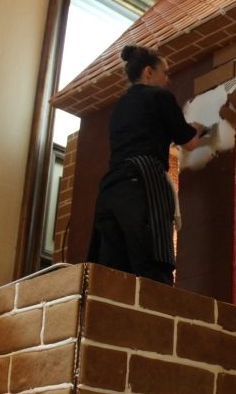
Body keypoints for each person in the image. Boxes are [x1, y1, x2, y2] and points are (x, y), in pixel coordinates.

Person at [87, 45, 205, 285]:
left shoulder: (120, 107)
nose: (168, 79)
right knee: (152, 269)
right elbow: (190, 142)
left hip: (110, 189)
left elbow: (146, 133)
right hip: (141, 186)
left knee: (113, 274)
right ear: (149, 72)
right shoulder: (159, 96)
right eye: (165, 72)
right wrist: (199, 128)